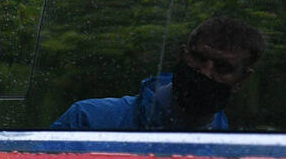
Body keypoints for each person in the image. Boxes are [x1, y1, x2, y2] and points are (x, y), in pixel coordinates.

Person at [52, 15, 266, 131]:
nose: (205, 72)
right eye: (199, 58)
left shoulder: (234, 157)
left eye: (222, 67)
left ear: (242, 79)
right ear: (183, 55)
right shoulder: (88, 121)